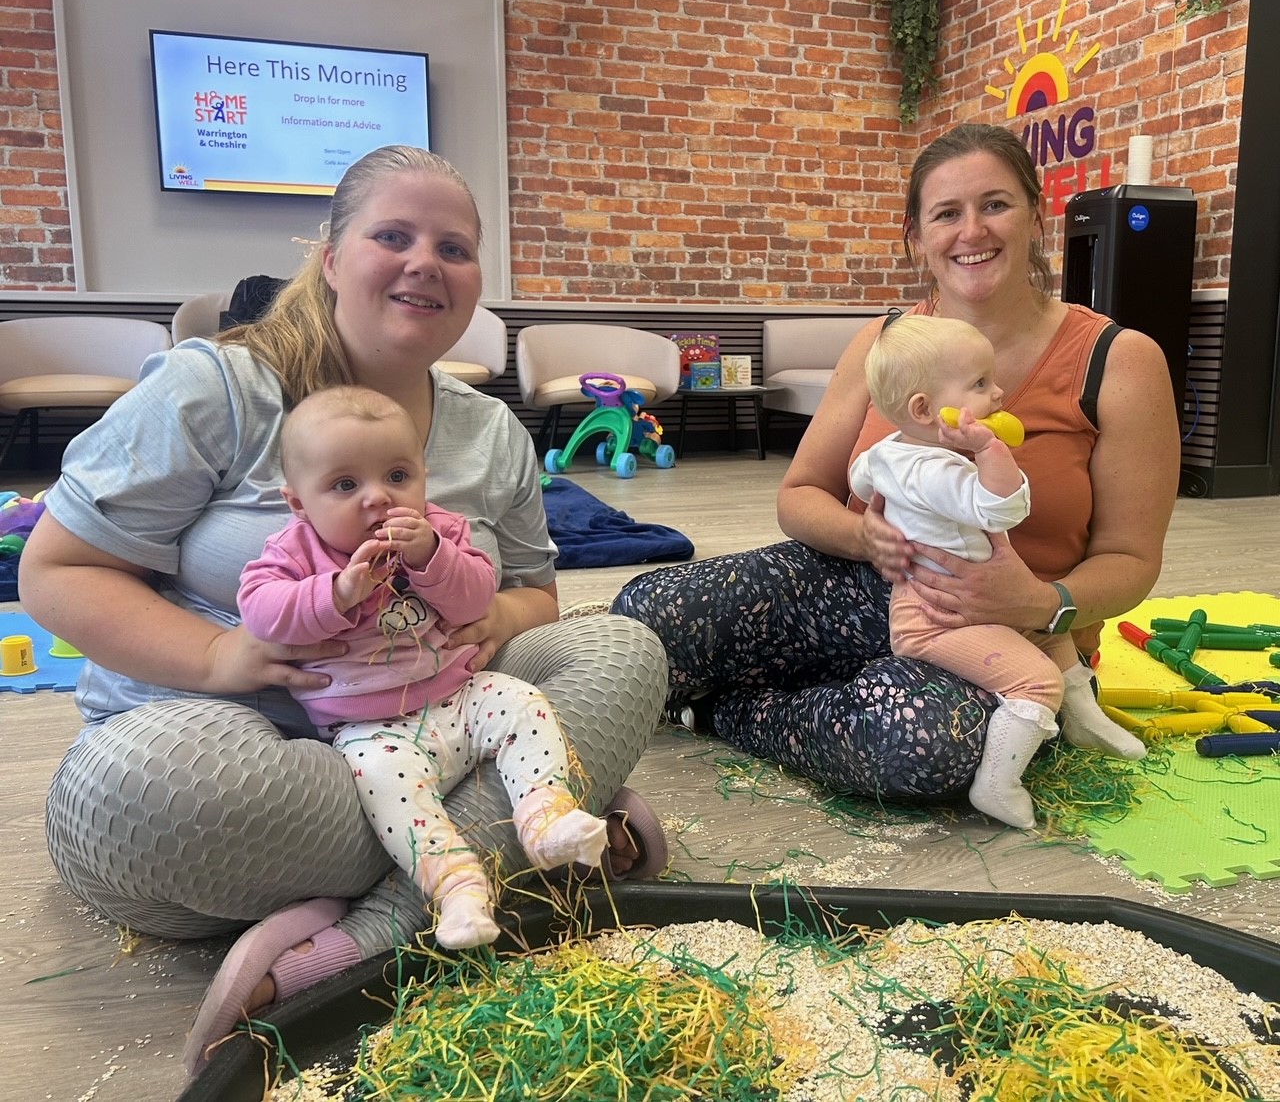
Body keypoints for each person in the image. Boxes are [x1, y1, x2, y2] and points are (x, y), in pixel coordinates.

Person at [20, 145, 669, 1077]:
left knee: (623, 646)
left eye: (454, 246)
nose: (424, 263)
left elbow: (537, 592)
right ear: (329, 256)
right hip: (237, 753)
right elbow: (57, 570)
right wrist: (215, 657)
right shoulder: (216, 387)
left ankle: (367, 933)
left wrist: (497, 616)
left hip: (432, 718)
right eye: (393, 236)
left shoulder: (488, 430)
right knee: (145, 796)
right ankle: (529, 825)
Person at [614, 121, 1179, 808]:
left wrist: (1042, 601)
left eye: (995, 204)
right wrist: (864, 539)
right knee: (646, 615)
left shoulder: (1121, 362)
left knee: (914, 744)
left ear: (1035, 213)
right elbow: (800, 495)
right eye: (947, 213)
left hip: (1011, 632)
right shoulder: (883, 343)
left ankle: (730, 711)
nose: (972, 231)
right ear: (918, 237)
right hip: (856, 585)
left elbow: (1131, 559)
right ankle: (833, 684)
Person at [238, 385, 609, 949]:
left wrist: (431, 556)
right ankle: (455, 887)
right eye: (345, 485)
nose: (378, 499)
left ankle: (544, 816)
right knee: (388, 792)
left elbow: (477, 596)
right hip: (370, 729)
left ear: (423, 477)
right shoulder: (294, 553)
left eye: (397, 476)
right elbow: (263, 614)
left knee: (521, 701)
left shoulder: (443, 531)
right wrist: (336, 593)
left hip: (459, 696)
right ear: (298, 503)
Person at [850, 314, 1145, 831]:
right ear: (926, 409)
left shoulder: (890, 451)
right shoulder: (934, 473)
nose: (1000, 393)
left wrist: (881, 505)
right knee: (1037, 680)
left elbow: (859, 474)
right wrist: (989, 450)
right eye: (981, 385)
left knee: (1051, 634)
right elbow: (1000, 509)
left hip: (968, 601)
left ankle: (1083, 722)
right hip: (937, 620)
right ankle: (998, 783)